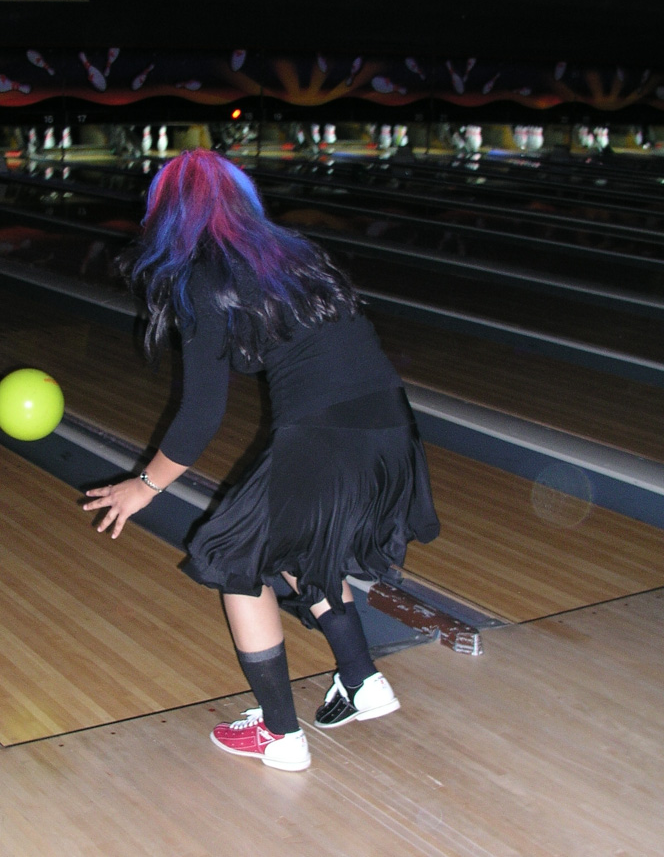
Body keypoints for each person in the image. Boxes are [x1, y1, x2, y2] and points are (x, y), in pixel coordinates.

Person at [83, 149, 439, 772]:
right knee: (300, 548)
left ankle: (280, 735)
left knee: (232, 558)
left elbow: (200, 414)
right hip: (391, 426)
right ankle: (361, 681)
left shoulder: (202, 276)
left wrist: (144, 485)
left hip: (328, 435)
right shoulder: (290, 253)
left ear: (166, 217)